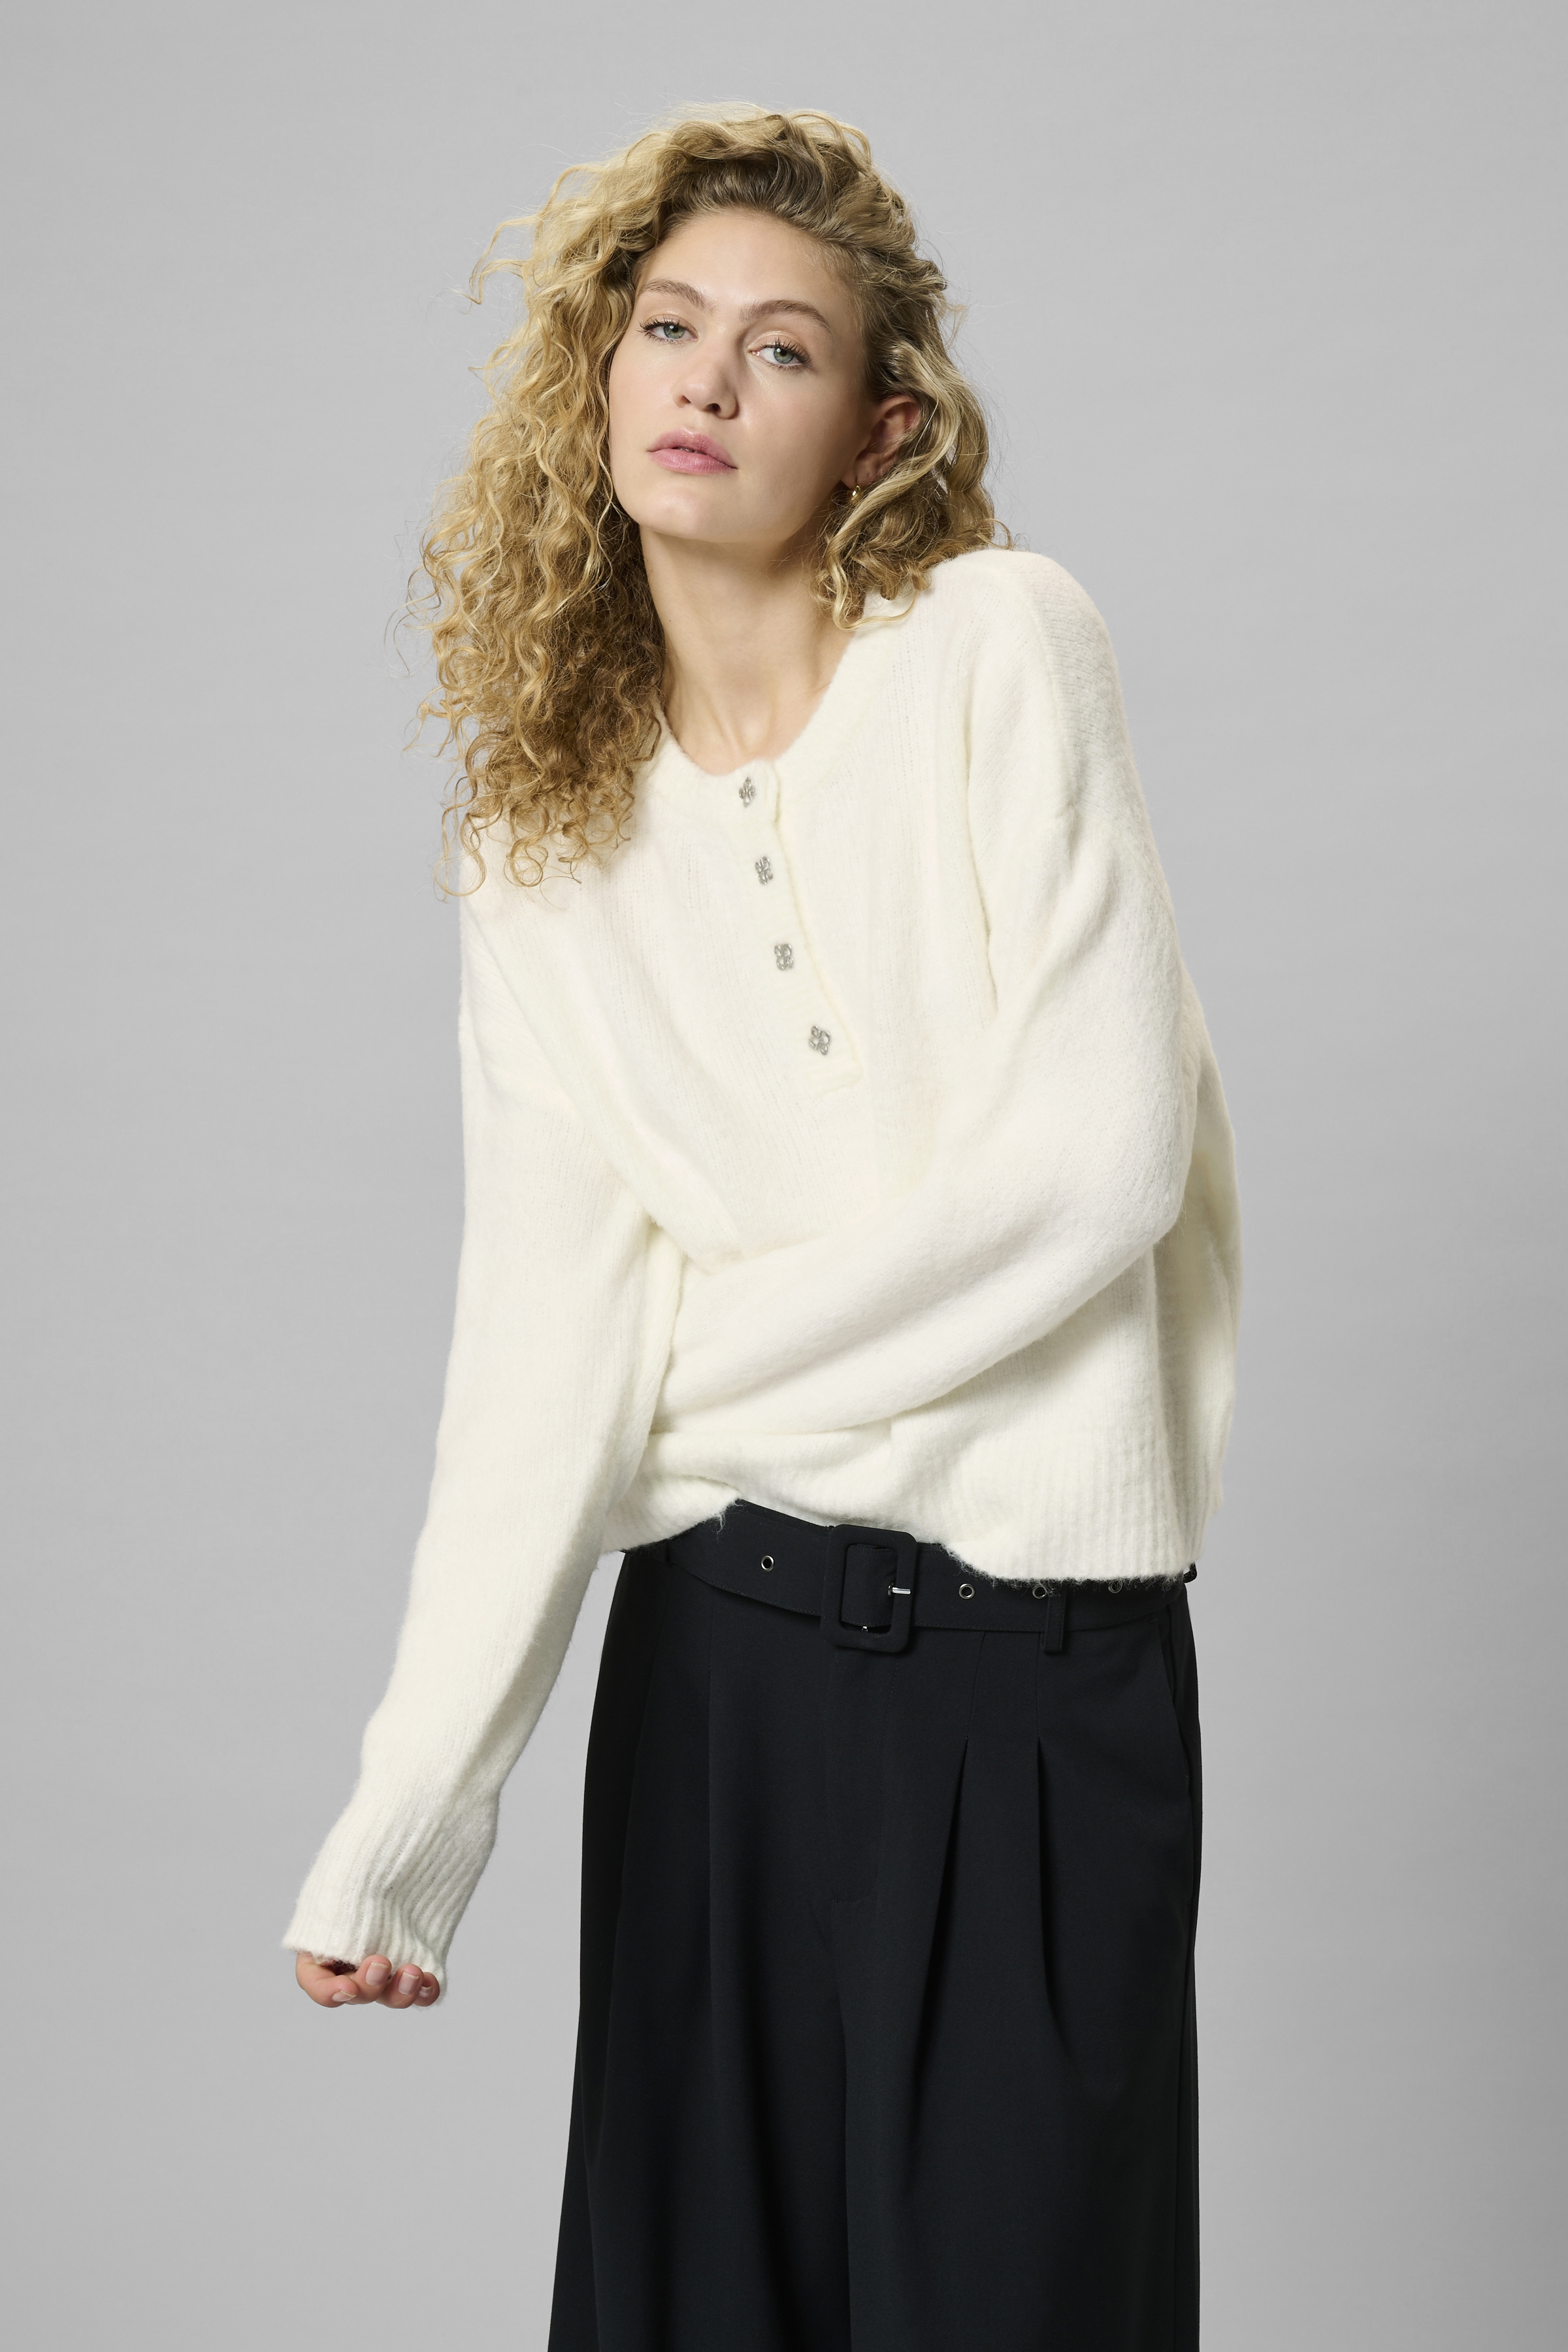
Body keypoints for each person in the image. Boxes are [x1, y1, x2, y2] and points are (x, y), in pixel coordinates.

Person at [284, 103, 1241, 2352]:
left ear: (882, 428)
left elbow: (1098, 1168)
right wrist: (405, 1826)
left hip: (1038, 1686)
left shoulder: (1003, 649)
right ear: (599, 373)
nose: (707, 380)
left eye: (782, 348)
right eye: (668, 326)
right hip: (716, 1674)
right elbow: (539, 1355)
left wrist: (678, 1398)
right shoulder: (541, 853)